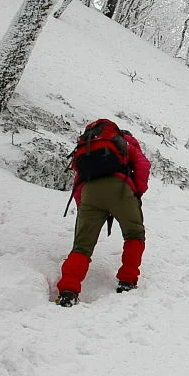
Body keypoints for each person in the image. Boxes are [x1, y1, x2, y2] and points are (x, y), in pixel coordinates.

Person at [55, 119, 151, 307]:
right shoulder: (127, 144)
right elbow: (143, 166)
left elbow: (78, 178)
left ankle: (68, 291)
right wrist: (136, 192)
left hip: (89, 192)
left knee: (82, 246)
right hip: (120, 189)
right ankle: (127, 281)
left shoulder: (89, 146)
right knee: (134, 234)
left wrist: (84, 205)